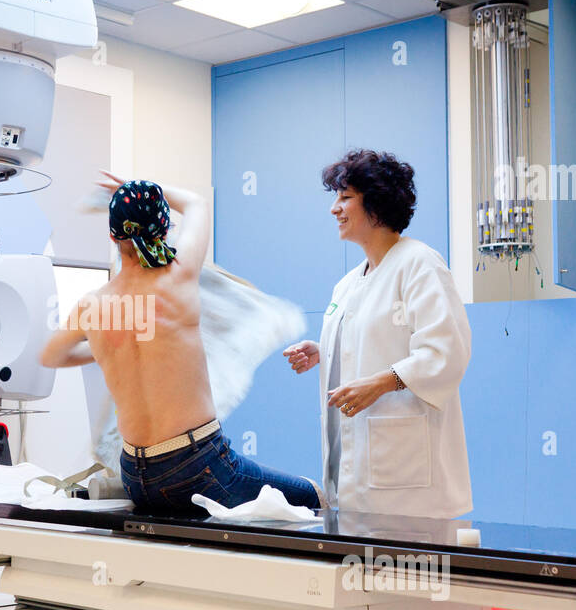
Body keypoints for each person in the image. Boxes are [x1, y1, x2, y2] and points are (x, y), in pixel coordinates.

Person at [40, 173, 323, 516]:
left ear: (114, 236)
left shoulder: (92, 305)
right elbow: (196, 203)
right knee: (312, 496)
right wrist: (134, 186)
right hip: (197, 467)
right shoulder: (179, 276)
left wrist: (106, 347)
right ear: (162, 229)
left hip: (135, 475)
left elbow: (52, 354)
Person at [284, 149, 472, 519]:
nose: (334, 209)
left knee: (405, 573)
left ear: (377, 203)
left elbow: (446, 352)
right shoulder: (348, 284)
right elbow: (373, 340)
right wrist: (324, 349)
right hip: (355, 472)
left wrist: (382, 383)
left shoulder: (419, 263)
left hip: (409, 478)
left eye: (345, 197)